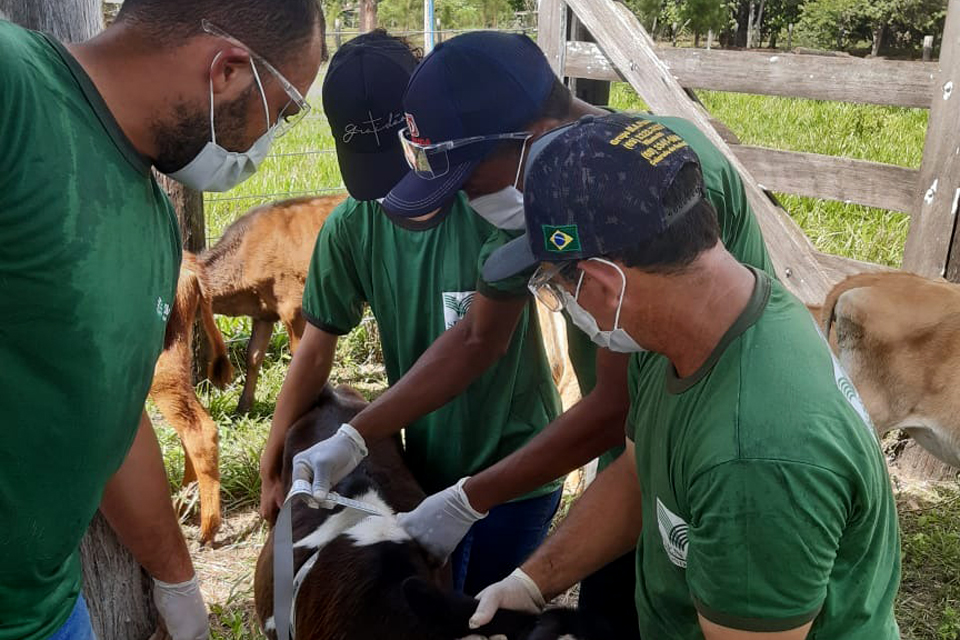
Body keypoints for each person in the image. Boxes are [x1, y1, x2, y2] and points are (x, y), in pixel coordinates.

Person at [283, 31, 772, 636]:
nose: (463, 199)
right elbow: (474, 339)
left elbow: (615, 403)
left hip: (704, 465)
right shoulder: (545, 196)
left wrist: (472, 497)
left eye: (466, 179)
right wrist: (355, 436)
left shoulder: (642, 186)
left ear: (529, 138)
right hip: (637, 462)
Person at [463, 114, 902, 639]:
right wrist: (533, 582)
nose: (563, 306)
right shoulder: (698, 319)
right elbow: (637, 470)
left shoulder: (754, 457)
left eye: (556, 287)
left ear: (606, 284)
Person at [0, 1, 325, 638]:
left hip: (49, 611)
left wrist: (177, 580)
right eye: (283, 112)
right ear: (230, 71)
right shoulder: (14, 91)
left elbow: (106, 412)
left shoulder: (152, 222)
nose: (270, 139)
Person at [258, 30, 563, 595]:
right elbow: (316, 346)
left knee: (492, 608)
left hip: (516, 470)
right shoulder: (353, 227)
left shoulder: (496, 207)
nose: (392, 189)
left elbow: (479, 341)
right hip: (420, 469)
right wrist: (277, 450)